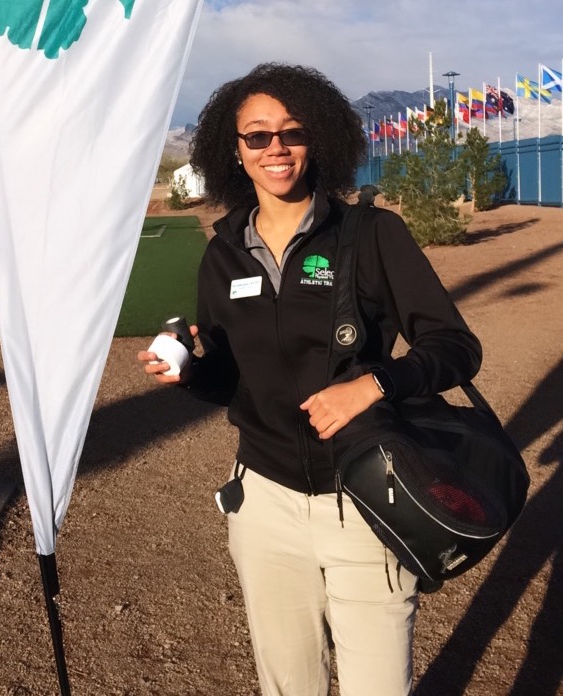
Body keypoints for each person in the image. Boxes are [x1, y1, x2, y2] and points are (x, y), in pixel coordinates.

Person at [137, 63, 482, 696]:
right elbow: (225, 380)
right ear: (233, 151)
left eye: (291, 133)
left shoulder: (372, 235)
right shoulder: (223, 254)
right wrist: (189, 366)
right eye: (257, 136)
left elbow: (456, 348)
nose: (276, 148)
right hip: (263, 504)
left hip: (366, 497)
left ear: (316, 139)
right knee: (287, 687)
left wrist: (373, 385)